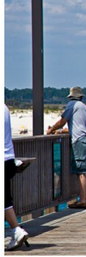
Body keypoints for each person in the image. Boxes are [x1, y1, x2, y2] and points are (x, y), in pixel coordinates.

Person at [47, 86, 86, 209]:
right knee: (84, 171)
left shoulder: (72, 105)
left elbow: (62, 121)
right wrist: (61, 131)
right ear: (81, 96)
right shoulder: (84, 108)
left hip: (79, 141)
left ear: (71, 97)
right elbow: (78, 126)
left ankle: (83, 200)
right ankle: (83, 198)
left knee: (81, 172)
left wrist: (52, 129)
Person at [4, 104, 30, 251]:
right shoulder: (5, 108)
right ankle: (17, 230)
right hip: (8, 160)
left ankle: (17, 230)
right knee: (5, 200)